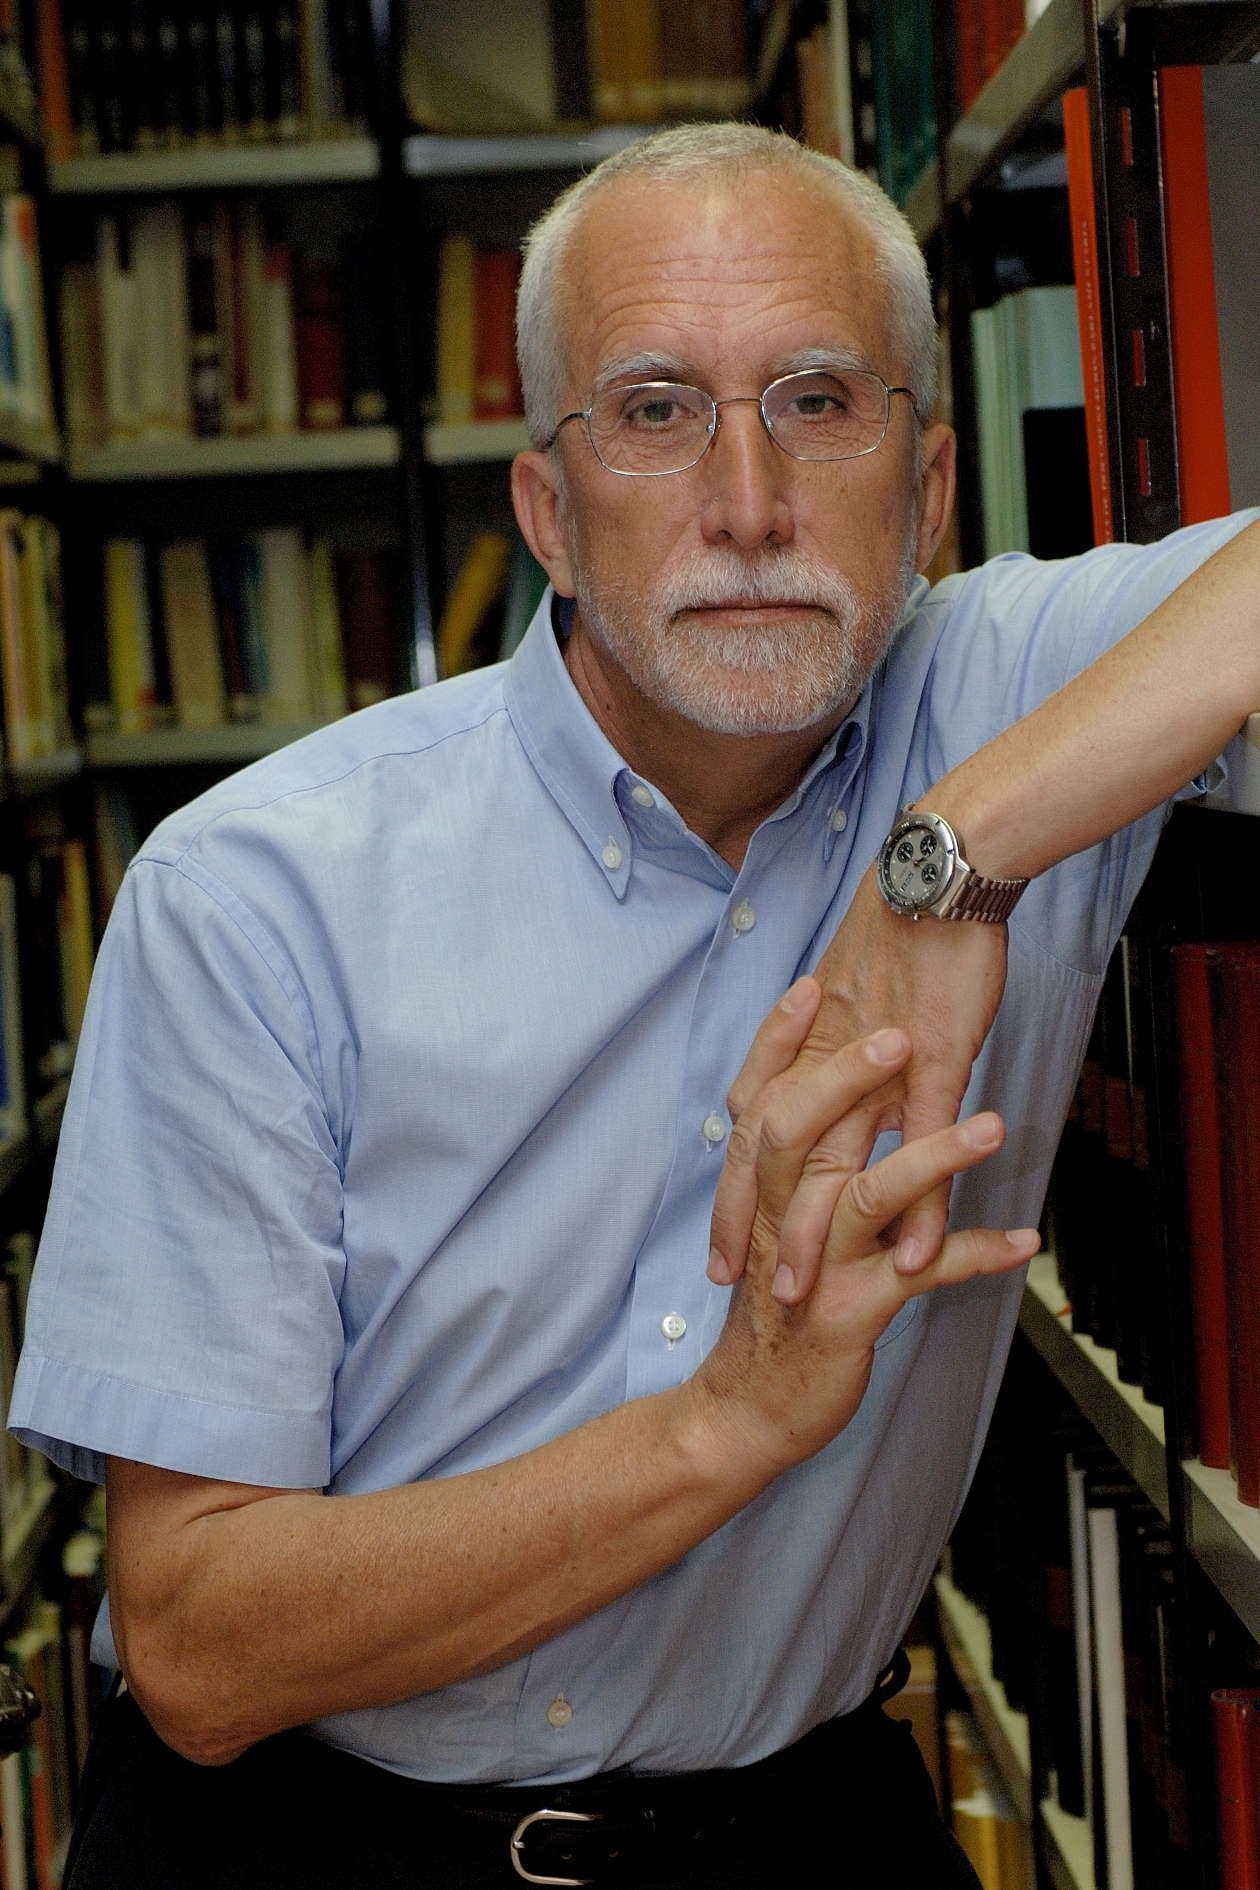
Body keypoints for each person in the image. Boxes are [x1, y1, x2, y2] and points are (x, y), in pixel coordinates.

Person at [12, 123, 1260, 1889]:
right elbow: (202, 1648)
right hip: (305, 1844)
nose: (748, 503)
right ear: (547, 510)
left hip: (792, 1829)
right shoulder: (253, 897)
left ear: (928, 488)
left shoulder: (1005, 701)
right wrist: (726, 1425)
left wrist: (951, 853)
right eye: (659, 411)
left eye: (821, 402)